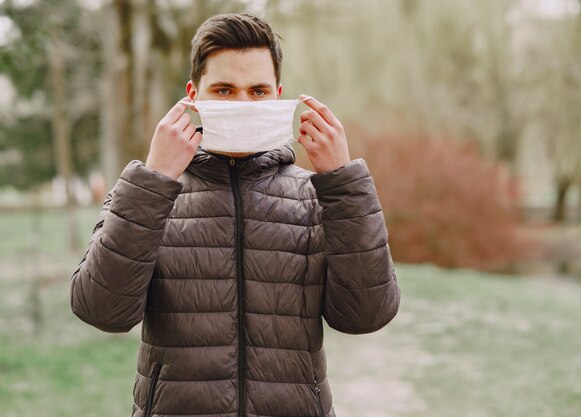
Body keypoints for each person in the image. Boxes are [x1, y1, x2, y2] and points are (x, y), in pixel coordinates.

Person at [70, 12, 400, 417]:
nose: (243, 104)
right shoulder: (149, 192)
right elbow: (100, 310)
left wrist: (343, 182)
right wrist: (154, 180)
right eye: (224, 90)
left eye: (258, 92)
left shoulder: (318, 197)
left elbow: (367, 316)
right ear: (193, 95)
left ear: (278, 95)